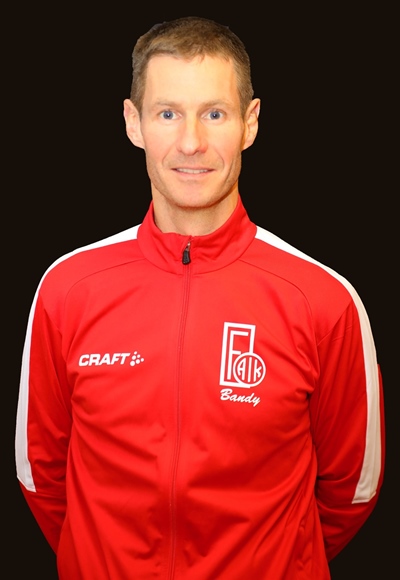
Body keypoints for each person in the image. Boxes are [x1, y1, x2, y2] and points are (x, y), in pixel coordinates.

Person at [15, 16, 385, 579]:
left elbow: (352, 489)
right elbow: (40, 475)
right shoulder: (68, 288)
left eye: (215, 113)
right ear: (133, 123)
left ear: (250, 123)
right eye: (168, 114)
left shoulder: (323, 300)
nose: (191, 142)